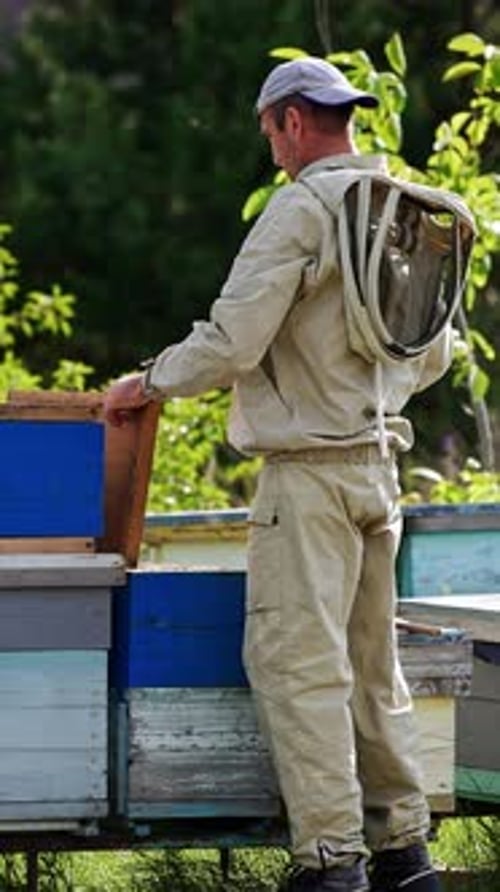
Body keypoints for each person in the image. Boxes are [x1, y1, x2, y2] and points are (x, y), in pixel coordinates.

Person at [103, 57, 458, 892]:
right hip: (381, 472)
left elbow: (231, 343)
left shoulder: (299, 210)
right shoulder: (404, 209)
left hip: (308, 480)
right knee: (378, 670)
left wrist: (147, 380)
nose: (272, 147)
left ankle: (332, 862)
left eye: (270, 132)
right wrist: (361, 391)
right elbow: (433, 352)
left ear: (293, 121)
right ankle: (406, 855)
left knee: (301, 668)